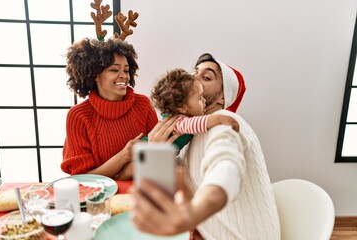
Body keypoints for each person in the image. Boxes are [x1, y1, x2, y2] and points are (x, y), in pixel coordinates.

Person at [130, 53, 280, 239]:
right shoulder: (189, 135)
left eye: (206, 77)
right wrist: (155, 151)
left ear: (221, 99)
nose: (194, 78)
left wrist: (193, 213)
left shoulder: (225, 123)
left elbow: (226, 167)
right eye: (194, 72)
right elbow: (169, 184)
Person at [61, 38, 158, 180]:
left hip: (140, 193)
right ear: (95, 75)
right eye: (114, 70)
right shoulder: (78, 116)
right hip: (98, 198)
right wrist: (124, 157)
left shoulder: (143, 105)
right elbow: (81, 179)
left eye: (126, 70)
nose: (123, 76)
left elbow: (158, 158)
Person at [144, 68, 239, 150]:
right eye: (199, 97)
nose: (203, 99)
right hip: (143, 149)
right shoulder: (180, 122)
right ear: (182, 107)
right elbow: (201, 122)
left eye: (206, 77)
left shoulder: (179, 117)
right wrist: (220, 119)